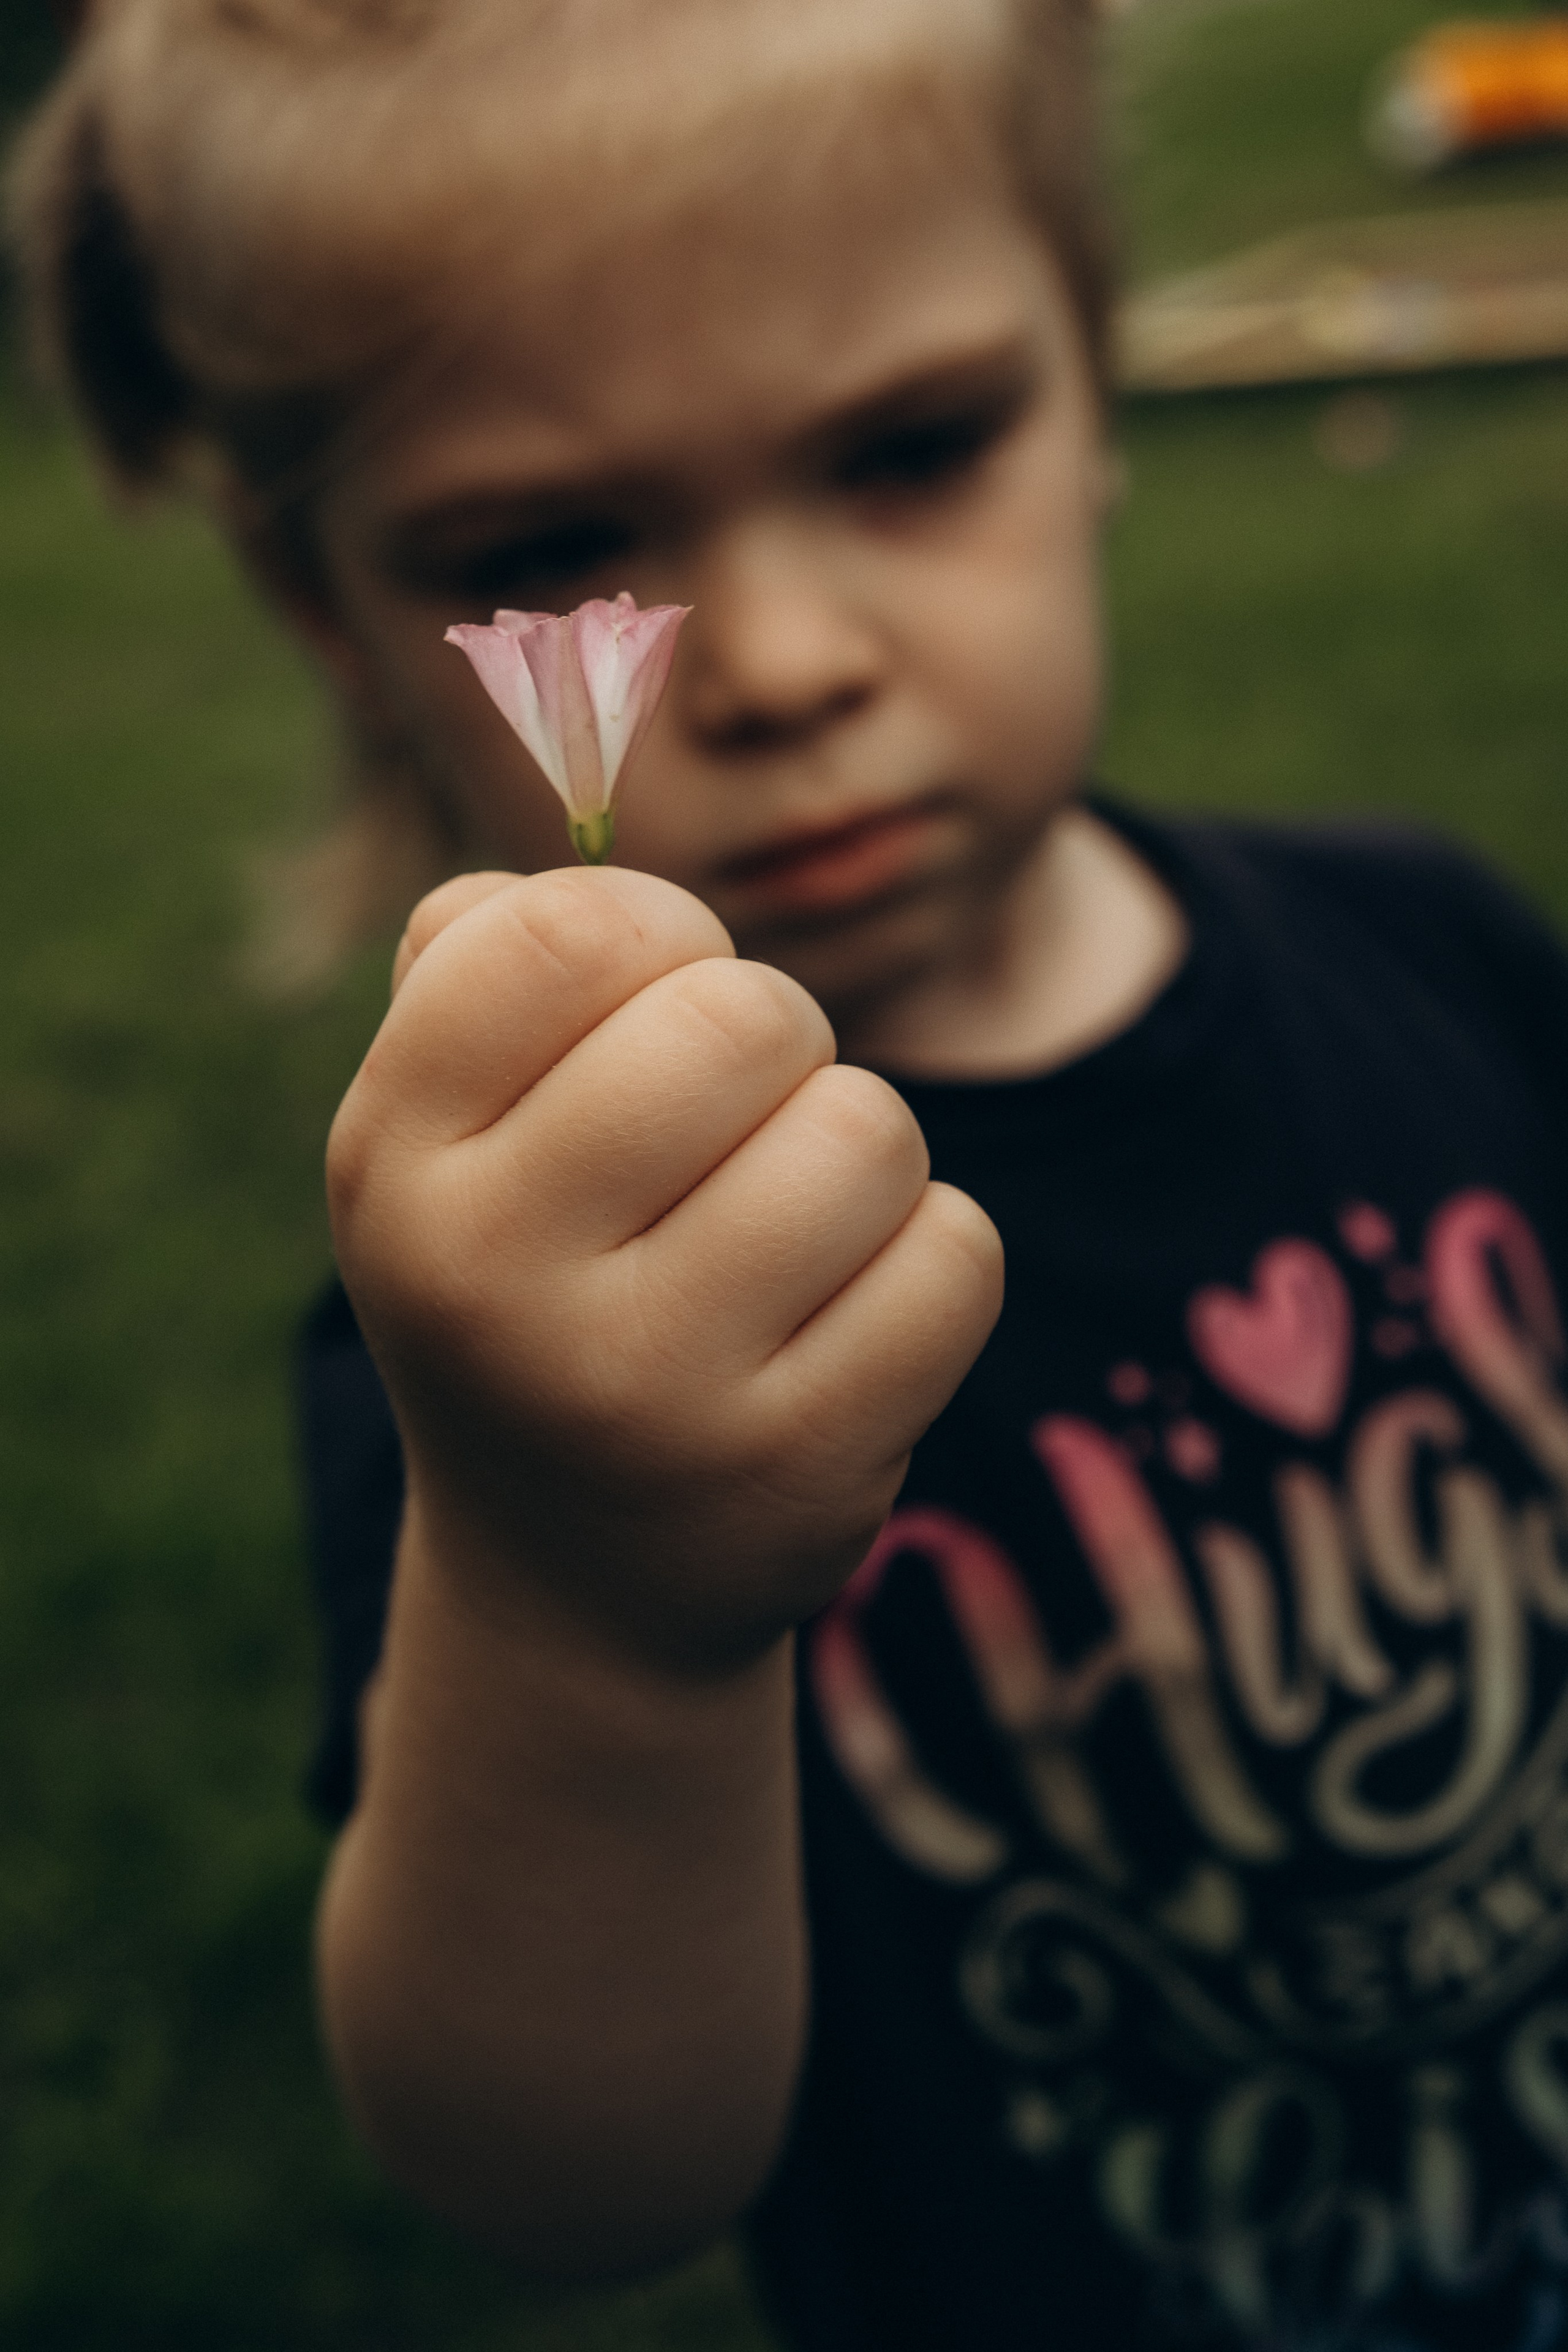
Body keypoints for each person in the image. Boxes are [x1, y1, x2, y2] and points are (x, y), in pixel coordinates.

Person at [13, 3, 1568, 2345]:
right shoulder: (502, 1368)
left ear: (1096, 364)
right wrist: (583, 1621)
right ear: (331, 610)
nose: (784, 659)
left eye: (916, 445)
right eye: (552, 537)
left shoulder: (1430, 939)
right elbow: (562, 2182)